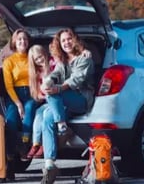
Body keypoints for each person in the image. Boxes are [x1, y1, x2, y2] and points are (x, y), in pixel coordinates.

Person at [41, 28, 95, 184]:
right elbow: (55, 74)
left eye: (69, 38)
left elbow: (75, 81)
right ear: (59, 44)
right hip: (65, 104)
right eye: (63, 40)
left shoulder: (84, 58)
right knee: (47, 117)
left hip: (81, 100)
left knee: (53, 93)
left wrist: (56, 88)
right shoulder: (62, 62)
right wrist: (48, 81)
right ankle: (50, 165)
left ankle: (62, 127)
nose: (66, 42)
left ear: (75, 39)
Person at [2, 28, 38, 180]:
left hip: (31, 93)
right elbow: (8, 85)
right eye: (19, 39)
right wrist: (17, 104)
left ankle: (24, 146)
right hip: (14, 95)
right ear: (14, 43)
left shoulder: (32, 57)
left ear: (28, 42)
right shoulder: (9, 61)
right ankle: (9, 161)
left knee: (29, 110)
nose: (22, 42)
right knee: (11, 121)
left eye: (25, 39)